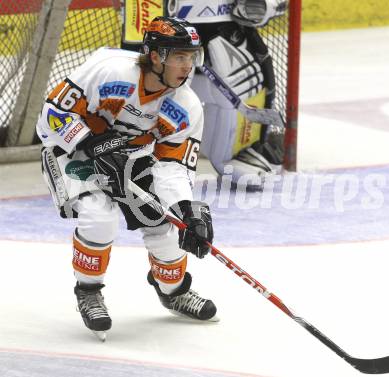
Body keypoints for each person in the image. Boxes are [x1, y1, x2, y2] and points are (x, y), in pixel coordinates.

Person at [36, 16, 217, 340]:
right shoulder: (109, 70)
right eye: (179, 56)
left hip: (132, 160)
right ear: (156, 55)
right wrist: (89, 142)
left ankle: (173, 292)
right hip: (74, 151)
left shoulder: (186, 106)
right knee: (98, 214)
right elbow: (52, 115)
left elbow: (172, 167)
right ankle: (88, 291)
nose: (187, 66)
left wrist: (187, 209)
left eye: (192, 57)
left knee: (165, 224)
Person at [122, 0, 286, 189]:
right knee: (149, 90)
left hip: (225, 28)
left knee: (243, 81)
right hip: (163, 24)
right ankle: (135, 158)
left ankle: (237, 154)